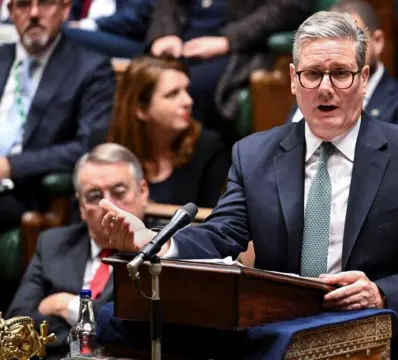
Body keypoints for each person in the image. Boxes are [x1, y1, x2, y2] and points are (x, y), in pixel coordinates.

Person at [101, 11, 398, 359]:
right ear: (293, 80)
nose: (325, 88)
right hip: (287, 338)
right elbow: (222, 232)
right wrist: (157, 241)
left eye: (341, 73)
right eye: (312, 74)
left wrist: (380, 292)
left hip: (391, 342)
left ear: (363, 79)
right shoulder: (254, 155)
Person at [6, 143, 149, 359]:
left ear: (143, 192)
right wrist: (81, 338)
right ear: (81, 207)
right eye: (94, 196)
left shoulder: (159, 251)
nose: (107, 205)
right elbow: (17, 320)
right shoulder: (53, 243)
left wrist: (65, 306)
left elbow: (132, 330)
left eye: (119, 192)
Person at [0, 0, 115, 232]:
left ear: (64, 9)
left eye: (44, 3)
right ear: (10, 12)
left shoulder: (90, 69)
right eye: (23, 5)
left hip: (25, 190)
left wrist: (10, 165)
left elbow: (86, 147)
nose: (33, 13)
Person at [146, 0, 313, 140]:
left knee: (191, 85)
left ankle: (195, 168)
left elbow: (289, 7)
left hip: (240, 49)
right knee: (142, 77)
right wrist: (165, 33)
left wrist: (229, 40)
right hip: (180, 39)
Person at [287, 0, 398, 133]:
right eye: (331, 37)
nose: (339, 46)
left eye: (355, 36)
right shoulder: (310, 93)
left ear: (378, 41)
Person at [106, 56, 230, 208]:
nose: (188, 101)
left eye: (186, 90)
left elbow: (213, 224)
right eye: (172, 94)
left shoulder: (209, 150)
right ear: (141, 109)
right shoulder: (107, 145)